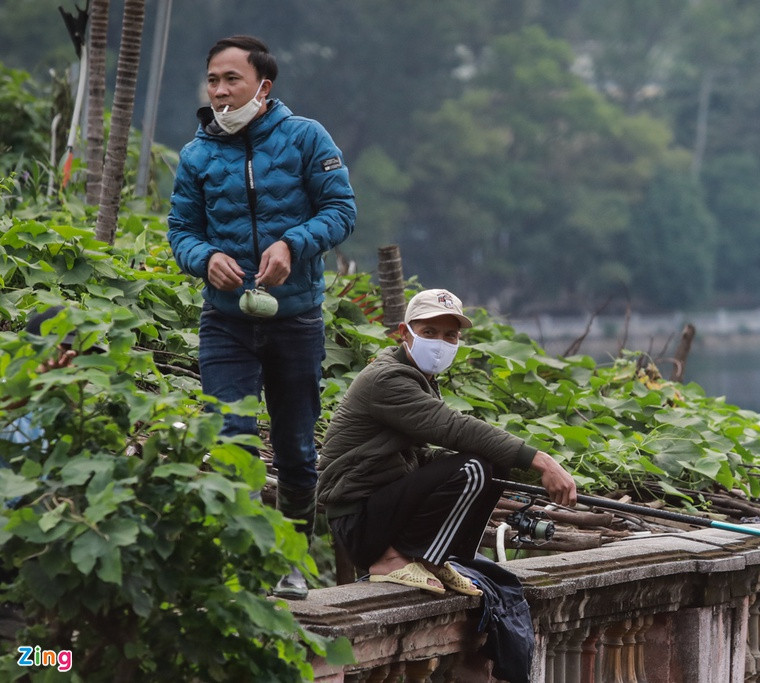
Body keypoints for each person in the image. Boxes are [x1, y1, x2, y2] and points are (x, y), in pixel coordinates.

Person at [167, 35, 356, 599]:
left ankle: (290, 558)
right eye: (213, 81)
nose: (221, 92)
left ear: (263, 87)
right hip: (225, 321)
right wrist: (206, 259)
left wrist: (293, 245)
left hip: (296, 320)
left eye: (233, 80)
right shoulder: (196, 155)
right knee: (231, 438)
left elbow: (342, 211)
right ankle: (244, 562)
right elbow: (181, 232)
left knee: (298, 450)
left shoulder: (306, 138)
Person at [317, 289, 577, 595]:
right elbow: (452, 427)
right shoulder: (388, 379)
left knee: (492, 464)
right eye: (429, 332)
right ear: (405, 333)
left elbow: (420, 456)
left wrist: (514, 465)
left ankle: (434, 560)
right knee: (475, 467)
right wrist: (540, 461)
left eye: (450, 335)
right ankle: (393, 560)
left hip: (382, 509)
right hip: (357, 519)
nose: (440, 342)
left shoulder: (421, 377)